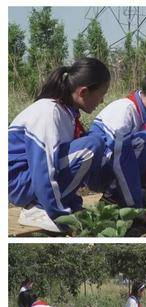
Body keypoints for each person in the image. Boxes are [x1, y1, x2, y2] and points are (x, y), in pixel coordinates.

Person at [9, 58, 110, 232]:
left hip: (29, 178)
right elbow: (44, 169)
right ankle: (39, 210)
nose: (102, 101)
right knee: (91, 146)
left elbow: (62, 164)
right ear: (83, 92)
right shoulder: (48, 112)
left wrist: (73, 204)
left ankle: (50, 204)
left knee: (93, 144)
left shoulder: (67, 113)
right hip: (19, 182)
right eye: (101, 95)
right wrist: (58, 214)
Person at [88, 63, 146, 210]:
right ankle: (113, 196)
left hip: (124, 170)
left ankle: (143, 196)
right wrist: (135, 207)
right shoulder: (125, 110)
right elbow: (119, 160)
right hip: (102, 173)